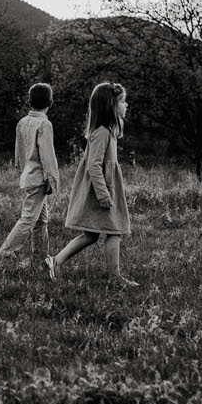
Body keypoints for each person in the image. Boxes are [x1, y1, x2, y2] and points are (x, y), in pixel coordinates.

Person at [45, 82, 138, 286]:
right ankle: (115, 278)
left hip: (105, 188)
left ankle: (56, 261)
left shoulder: (109, 131)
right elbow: (93, 165)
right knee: (115, 231)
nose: (126, 105)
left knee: (91, 235)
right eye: (122, 101)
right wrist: (103, 194)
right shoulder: (102, 132)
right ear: (110, 106)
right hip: (101, 190)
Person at [0, 82, 60, 268]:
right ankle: (6, 251)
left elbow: (19, 153)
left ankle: (40, 260)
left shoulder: (22, 122)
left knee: (41, 221)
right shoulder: (44, 124)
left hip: (27, 176)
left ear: (29, 101)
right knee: (28, 219)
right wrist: (52, 179)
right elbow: (47, 155)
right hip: (38, 179)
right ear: (50, 102)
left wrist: (22, 171)